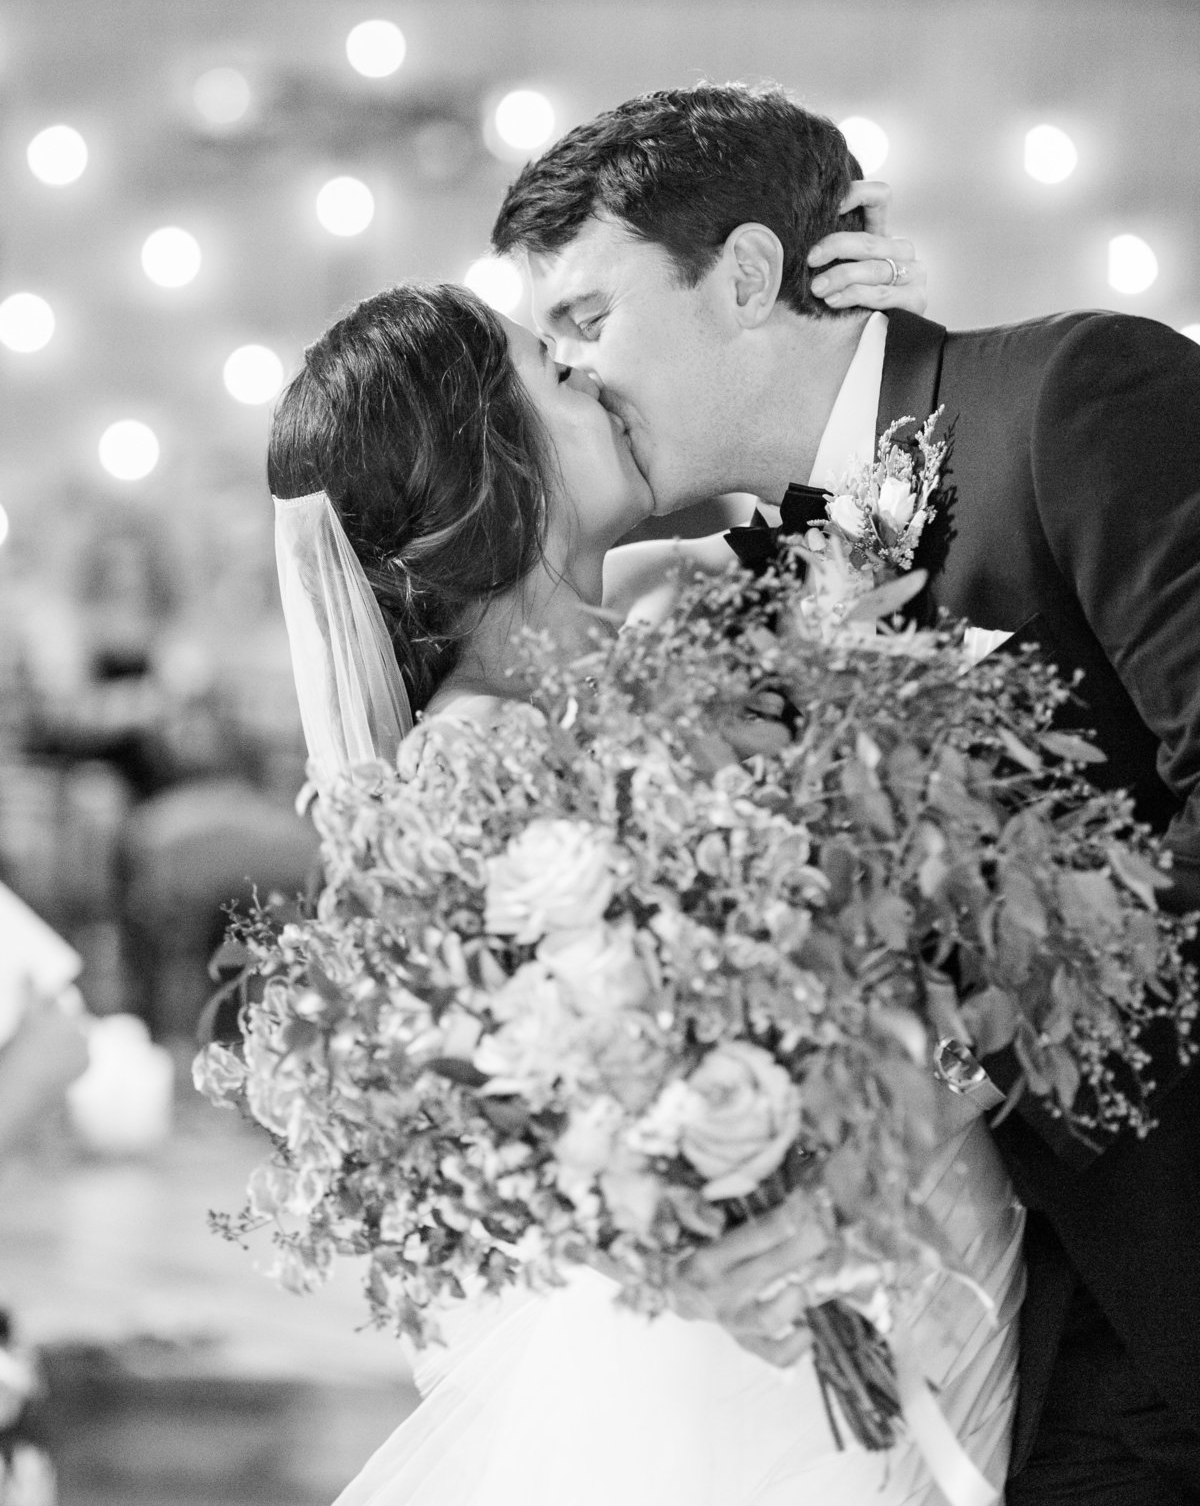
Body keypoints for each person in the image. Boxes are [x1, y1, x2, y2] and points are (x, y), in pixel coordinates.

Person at [491, 81, 1200, 1505]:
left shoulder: (1070, 395)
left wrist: (962, 1030)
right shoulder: (752, 611)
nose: (574, 379)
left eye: (585, 321)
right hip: (1026, 1320)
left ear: (748, 277)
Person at [268, 272, 1024, 1506]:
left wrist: (855, 335)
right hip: (776, 1348)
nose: (594, 373)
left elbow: (878, 513)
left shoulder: (666, 616)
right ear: (483, 466)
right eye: (549, 372)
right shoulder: (476, 767)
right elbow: (584, 1114)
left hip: (934, 1234)